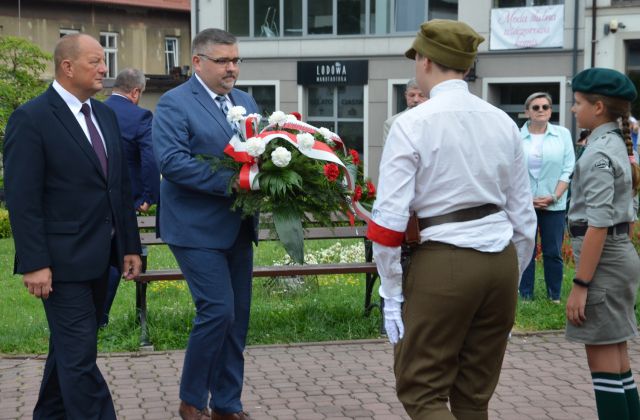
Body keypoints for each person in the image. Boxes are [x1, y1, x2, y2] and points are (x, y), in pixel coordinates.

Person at [366, 19, 536, 419]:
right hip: (500, 262)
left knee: (422, 390)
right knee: (473, 396)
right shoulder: (503, 121)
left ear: (425, 60)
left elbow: (388, 220)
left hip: (444, 261)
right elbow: (523, 217)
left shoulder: (412, 123)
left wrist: (390, 290)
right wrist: (512, 269)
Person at [2, 33, 142, 419]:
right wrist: (34, 262)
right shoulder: (31, 118)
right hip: (60, 264)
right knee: (80, 357)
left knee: (69, 349)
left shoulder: (106, 115)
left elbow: (120, 188)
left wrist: (130, 247)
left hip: (104, 260)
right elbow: (22, 199)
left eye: (104, 60)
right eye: (96, 61)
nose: (105, 69)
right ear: (67, 67)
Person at [152, 28, 259, 420]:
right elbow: (172, 162)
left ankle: (227, 405)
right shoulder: (174, 104)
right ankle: (192, 400)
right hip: (194, 228)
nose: (231, 68)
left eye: (235, 60)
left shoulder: (246, 101)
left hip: (239, 226)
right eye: (223, 61)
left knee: (237, 319)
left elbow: (262, 151)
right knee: (218, 311)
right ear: (198, 62)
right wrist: (232, 181)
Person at [566, 67, 640, 420]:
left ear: (598, 107)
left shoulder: (598, 153)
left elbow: (597, 225)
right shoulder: (611, 144)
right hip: (616, 256)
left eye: (577, 103)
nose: (572, 109)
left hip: (603, 262)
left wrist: (581, 284)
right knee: (618, 362)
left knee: (605, 367)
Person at [102, 67, 159, 327]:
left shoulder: (95, 111)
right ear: (135, 92)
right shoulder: (140, 117)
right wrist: (148, 196)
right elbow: (149, 160)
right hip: (126, 198)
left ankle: (94, 317)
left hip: (94, 197)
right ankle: (100, 316)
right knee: (117, 255)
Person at [518, 92, 575, 303]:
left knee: (553, 252)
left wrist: (554, 196)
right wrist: (526, 199)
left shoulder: (562, 134)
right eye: (536, 107)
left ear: (550, 110)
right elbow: (512, 171)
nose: (541, 110)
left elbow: (568, 169)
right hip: (525, 204)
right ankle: (525, 296)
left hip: (555, 204)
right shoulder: (516, 136)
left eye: (545, 107)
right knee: (526, 251)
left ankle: (554, 296)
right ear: (527, 112)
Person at [382, 77, 427, 143]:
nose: (416, 100)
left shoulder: (438, 121)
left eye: (421, 95)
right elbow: (389, 152)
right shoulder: (392, 123)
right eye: (412, 95)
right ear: (406, 95)